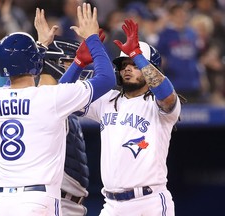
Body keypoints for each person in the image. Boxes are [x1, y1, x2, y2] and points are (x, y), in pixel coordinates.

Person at [0, 3, 116, 216]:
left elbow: (19, 76)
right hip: (38, 200)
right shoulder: (49, 98)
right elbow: (106, 79)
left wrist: (41, 46)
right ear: (34, 62)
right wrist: (92, 38)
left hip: (1, 202)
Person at [59, 19, 184, 216]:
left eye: (134, 64)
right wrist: (78, 63)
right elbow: (61, 98)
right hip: (111, 204)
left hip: (149, 202)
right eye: (124, 64)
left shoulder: (156, 104)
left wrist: (138, 55)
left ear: (150, 68)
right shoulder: (107, 100)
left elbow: (167, 96)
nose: (127, 68)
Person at [38, 34, 105, 215]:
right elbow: (106, 79)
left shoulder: (63, 100)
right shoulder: (42, 100)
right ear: (54, 63)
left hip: (66, 202)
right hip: (52, 201)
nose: (78, 67)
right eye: (70, 62)